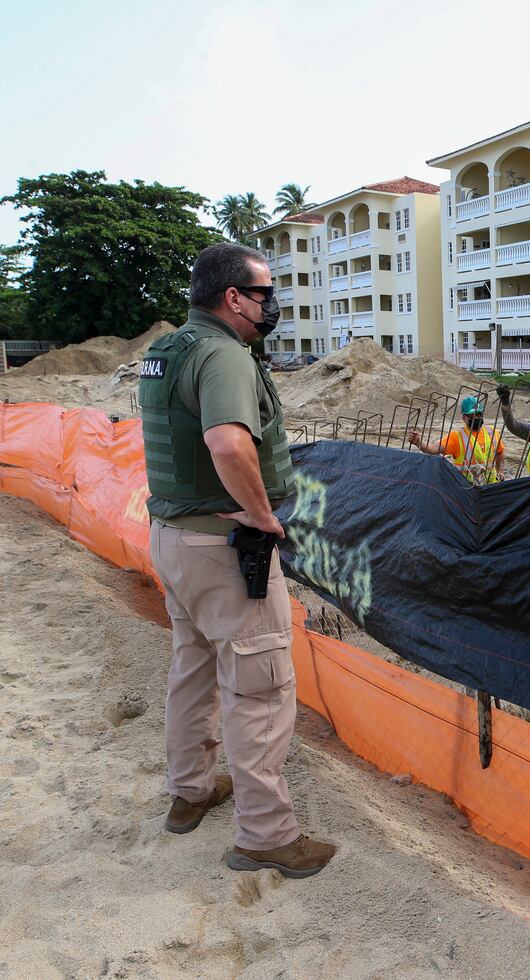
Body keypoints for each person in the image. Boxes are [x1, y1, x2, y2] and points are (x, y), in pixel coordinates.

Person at [139, 241, 335, 879]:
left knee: (192, 670)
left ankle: (190, 791)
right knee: (260, 688)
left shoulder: (168, 351)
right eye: (264, 293)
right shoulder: (224, 356)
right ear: (233, 298)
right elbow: (226, 443)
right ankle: (266, 837)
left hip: (174, 539)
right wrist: (261, 515)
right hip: (223, 551)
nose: (271, 304)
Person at [407, 395, 505, 484]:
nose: (477, 417)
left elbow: (500, 452)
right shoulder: (457, 436)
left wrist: (500, 471)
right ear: (464, 417)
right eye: (472, 415)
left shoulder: (492, 432)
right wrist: (419, 442)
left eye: (479, 414)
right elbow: (435, 448)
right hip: (468, 489)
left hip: (491, 487)